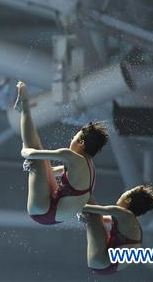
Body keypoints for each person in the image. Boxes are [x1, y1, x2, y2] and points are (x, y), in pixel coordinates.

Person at [13, 81, 108, 224]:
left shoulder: (71, 156)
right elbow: (55, 171)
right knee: (41, 161)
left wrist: (24, 151)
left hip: (45, 211)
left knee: (37, 155)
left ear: (81, 142)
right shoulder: (90, 169)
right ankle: (24, 109)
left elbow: (30, 154)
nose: (72, 140)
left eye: (74, 137)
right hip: (55, 212)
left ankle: (25, 107)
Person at [79, 185, 153, 275]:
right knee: (92, 216)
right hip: (107, 265)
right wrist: (85, 216)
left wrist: (80, 208)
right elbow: (101, 219)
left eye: (127, 192)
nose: (123, 193)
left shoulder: (124, 213)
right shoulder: (129, 221)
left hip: (104, 260)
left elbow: (86, 208)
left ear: (128, 200)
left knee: (87, 198)